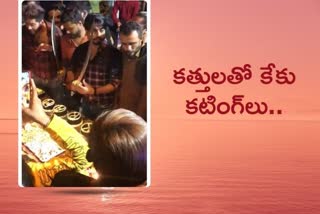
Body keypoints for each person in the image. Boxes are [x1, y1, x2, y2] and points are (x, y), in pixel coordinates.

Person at [22, 79, 147, 187]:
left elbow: (81, 151)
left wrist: (43, 119)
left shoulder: (67, 182)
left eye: (90, 148)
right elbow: (81, 150)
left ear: (91, 158)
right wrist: (43, 118)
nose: (86, 152)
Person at [70, 14, 122, 119]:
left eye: (102, 30)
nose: (98, 34)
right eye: (93, 31)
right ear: (86, 31)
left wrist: (93, 91)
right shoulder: (81, 50)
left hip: (105, 105)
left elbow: (115, 83)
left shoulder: (113, 53)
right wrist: (72, 82)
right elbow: (72, 69)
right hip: (85, 102)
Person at [22, 2, 65, 103]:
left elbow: (63, 55)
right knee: (38, 102)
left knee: (57, 103)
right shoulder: (23, 32)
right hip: (34, 76)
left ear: (41, 21)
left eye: (32, 24)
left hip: (53, 77)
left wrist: (51, 49)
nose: (28, 27)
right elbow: (22, 55)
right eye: (26, 24)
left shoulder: (54, 31)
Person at [117, 21, 147, 120]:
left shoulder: (148, 60)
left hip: (137, 116)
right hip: (120, 109)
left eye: (132, 43)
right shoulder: (121, 52)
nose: (128, 48)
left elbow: (145, 97)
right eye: (124, 43)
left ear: (143, 37)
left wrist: (137, 119)